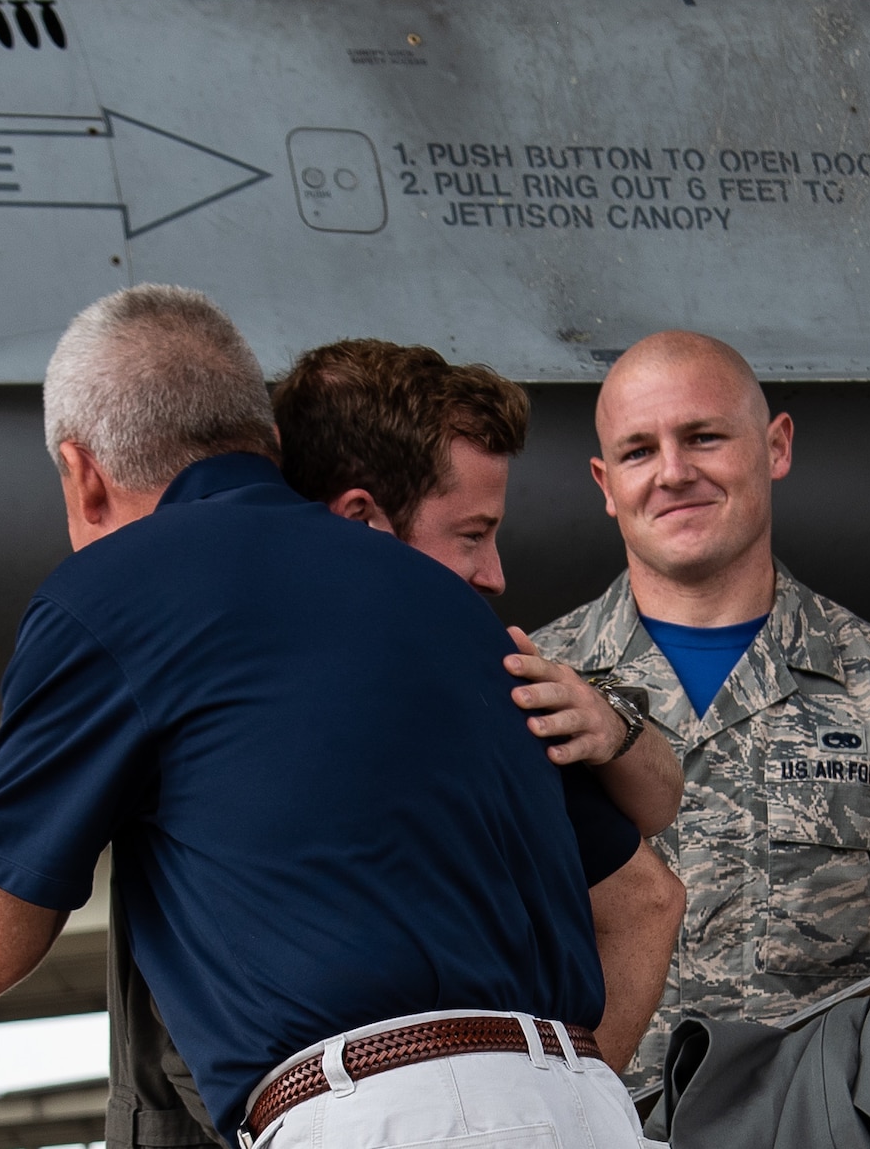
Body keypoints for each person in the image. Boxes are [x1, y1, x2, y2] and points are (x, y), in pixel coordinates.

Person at [0, 287, 653, 1149]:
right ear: (265, 443)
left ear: (84, 474)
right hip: (585, 1106)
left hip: (371, 1117)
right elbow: (645, 899)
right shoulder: (456, 608)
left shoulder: (112, 593)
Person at [106, 338, 688, 1149]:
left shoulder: (181, 665)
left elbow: (648, 868)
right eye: (471, 534)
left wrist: (615, 722)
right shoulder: (445, 682)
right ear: (360, 520)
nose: (493, 572)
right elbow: (646, 898)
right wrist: (543, 1103)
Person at [534, 330, 870, 1088]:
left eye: (703, 437)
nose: (673, 472)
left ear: (776, 445)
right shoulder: (537, 689)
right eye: (638, 451)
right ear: (604, 482)